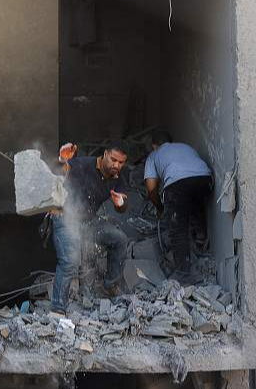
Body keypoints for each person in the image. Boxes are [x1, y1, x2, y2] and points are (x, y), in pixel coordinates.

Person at [49, 141, 130, 314]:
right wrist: (61, 160)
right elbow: (56, 174)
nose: (117, 165)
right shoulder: (82, 165)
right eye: (114, 160)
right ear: (105, 154)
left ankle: (109, 287)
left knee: (120, 239)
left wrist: (120, 203)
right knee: (70, 261)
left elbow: (122, 206)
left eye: (121, 162)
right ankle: (57, 310)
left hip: (88, 221)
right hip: (65, 217)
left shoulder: (118, 177)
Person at [144, 131, 212, 285]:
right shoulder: (185, 147)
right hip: (205, 180)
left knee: (177, 228)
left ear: (154, 146)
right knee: (193, 202)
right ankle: (200, 235)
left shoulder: (154, 155)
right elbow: (192, 173)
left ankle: (183, 273)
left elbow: (151, 188)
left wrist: (160, 207)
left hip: (178, 184)